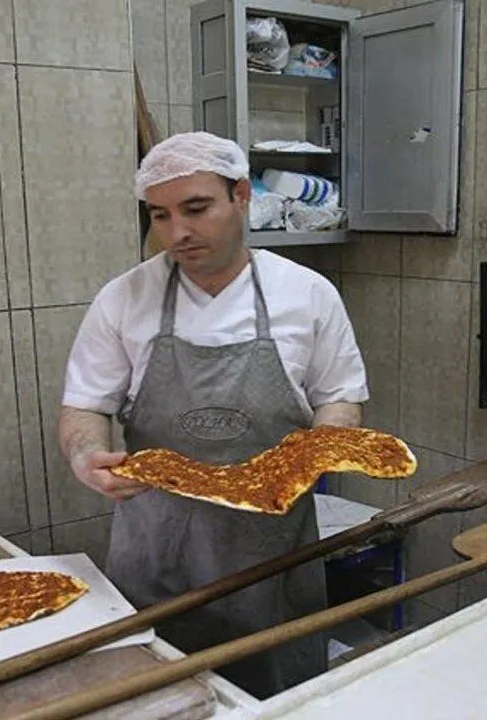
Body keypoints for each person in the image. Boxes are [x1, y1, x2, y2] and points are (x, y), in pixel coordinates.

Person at [57, 131, 369, 699]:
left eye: (196, 208)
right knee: (157, 698)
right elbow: (85, 405)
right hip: (156, 554)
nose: (178, 232)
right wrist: (86, 456)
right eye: (160, 215)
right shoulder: (123, 299)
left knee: (278, 697)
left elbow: (340, 397)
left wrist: (315, 451)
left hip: (270, 552)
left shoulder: (307, 294)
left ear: (242, 196)